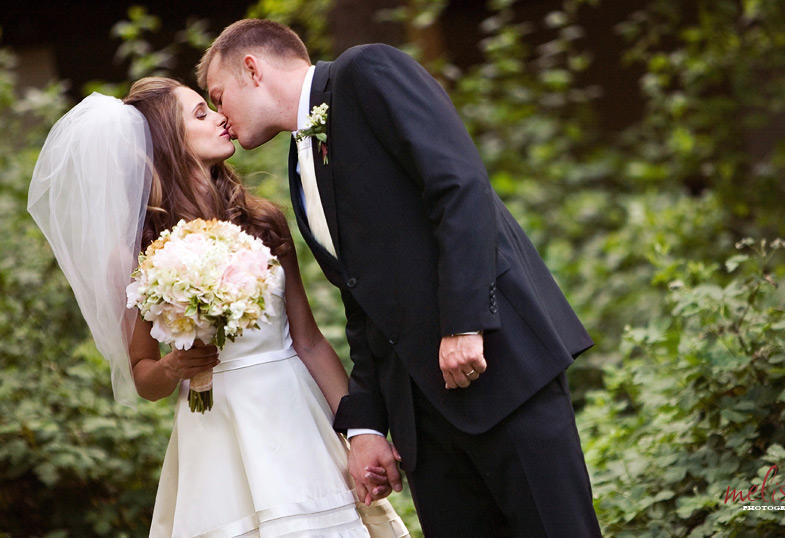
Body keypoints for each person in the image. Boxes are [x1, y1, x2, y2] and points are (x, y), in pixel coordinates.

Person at [199, 19, 602, 538]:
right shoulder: (302, 169)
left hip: (501, 371)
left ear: (252, 69)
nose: (220, 117)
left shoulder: (367, 70)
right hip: (424, 424)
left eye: (217, 96)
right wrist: (366, 423)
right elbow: (363, 299)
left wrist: (464, 324)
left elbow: (458, 186)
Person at [28, 78, 408, 537]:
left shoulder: (263, 220)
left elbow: (308, 341)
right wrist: (172, 367)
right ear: (167, 140)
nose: (221, 117)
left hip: (293, 417)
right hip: (215, 433)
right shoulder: (142, 248)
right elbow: (143, 374)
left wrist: (361, 431)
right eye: (200, 114)